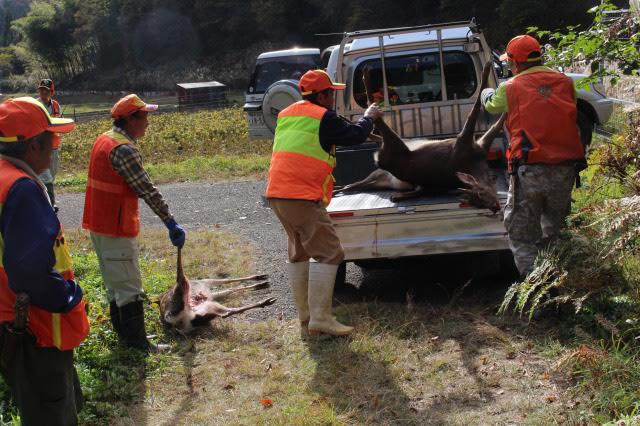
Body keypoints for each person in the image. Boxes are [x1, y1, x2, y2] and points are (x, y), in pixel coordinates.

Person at [265, 69, 383, 337]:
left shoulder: (288, 114)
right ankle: (321, 318)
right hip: (301, 197)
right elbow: (354, 136)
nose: (333, 98)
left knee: (299, 252)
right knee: (330, 253)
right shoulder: (323, 118)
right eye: (331, 93)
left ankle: (306, 319)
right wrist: (369, 118)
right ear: (321, 95)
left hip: (277, 194)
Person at [0, 97, 89, 425]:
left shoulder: (2, 176)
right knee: (52, 411)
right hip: (37, 327)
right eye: (52, 140)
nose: (55, 149)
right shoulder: (21, 189)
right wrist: (71, 296)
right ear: (32, 146)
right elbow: (27, 272)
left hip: (11, 319)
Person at [82, 94, 185, 352]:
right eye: (144, 117)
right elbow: (147, 190)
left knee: (114, 285)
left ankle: (125, 340)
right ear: (129, 119)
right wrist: (170, 222)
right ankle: (138, 345)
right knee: (129, 286)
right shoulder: (123, 150)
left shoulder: (104, 139)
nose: (148, 123)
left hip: (99, 225)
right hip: (115, 227)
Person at [481, 35, 585, 278]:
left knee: (521, 235)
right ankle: (561, 285)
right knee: (554, 232)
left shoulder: (511, 87)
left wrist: (486, 91)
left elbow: (491, 106)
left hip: (530, 172)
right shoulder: (566, 82)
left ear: (514, 62)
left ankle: (537, 291)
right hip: (565, 170)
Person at [36, 79, 62, 209]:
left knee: (52, 174)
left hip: (54, 144)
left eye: (46, 90)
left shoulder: (56, 105)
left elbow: (60, 123)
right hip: (39, 146)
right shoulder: (34, 104)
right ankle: (51, 203)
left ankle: (45, 199)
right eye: (41, 89)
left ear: (51, 92)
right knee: (45, 175)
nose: (43, 92)